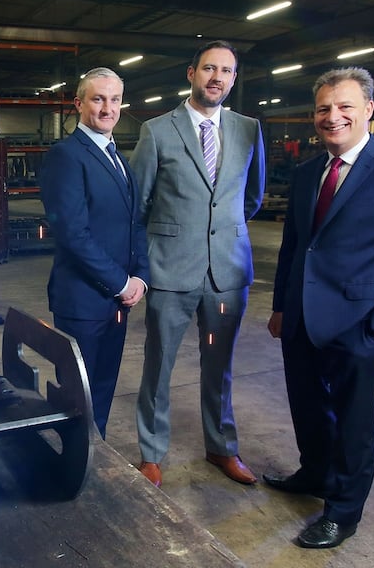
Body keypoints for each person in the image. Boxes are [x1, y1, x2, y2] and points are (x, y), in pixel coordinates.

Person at [266, 67, 374, 548]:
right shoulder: (306, 174)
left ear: (368, 111)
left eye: (344, 107)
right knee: (306, 405)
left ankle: (342, 510)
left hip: (357, 322)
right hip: (301, 317)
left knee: (354, 421)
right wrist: (282, 306)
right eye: (323, 109)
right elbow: (295, 247)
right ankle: (314, 472)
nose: (332, 116)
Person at [131, 40, 266, 487]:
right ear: (191, 73)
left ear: (233, 78)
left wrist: (219, 233)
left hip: (227, 271)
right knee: (159, 364)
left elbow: (253, 197)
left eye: (226, 71)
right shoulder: (157, 130)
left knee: (220, 364)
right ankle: (151, 453)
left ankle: (221, 448)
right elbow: (140, 201)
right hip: (171, 269)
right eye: (209, 68)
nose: (218, 78)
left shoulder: (249, 129)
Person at [39, 67, 149, 439]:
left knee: (101, 390)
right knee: (77, 397)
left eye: (115, 99)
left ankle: (95, 458)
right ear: (79, 104)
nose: (107, 108)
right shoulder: (67, 156)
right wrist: (121, 282)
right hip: (84, 302)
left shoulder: (119, 159)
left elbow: (135, 225)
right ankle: (72, 468)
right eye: (98, 99)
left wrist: (141, 279)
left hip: (117, 301)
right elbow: (72, 232)